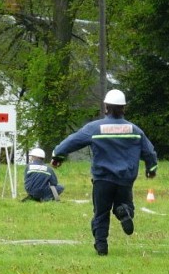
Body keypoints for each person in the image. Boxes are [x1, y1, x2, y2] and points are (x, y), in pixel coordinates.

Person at [51, 89, 158, 256]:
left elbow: (72, 141)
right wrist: (151, 169)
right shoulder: (134, 130)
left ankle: (101, 247)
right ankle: (123, 211)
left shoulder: (95, 128)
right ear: (124, 108)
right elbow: (149, 152)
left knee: (100, 213)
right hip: (125, 179)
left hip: (102, 179)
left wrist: (58, 156)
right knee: (126, 205)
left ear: (106, 107)